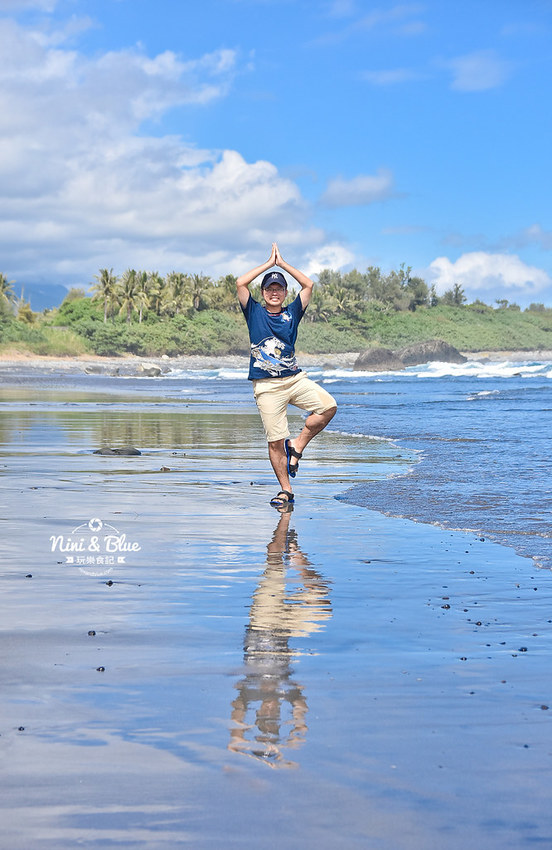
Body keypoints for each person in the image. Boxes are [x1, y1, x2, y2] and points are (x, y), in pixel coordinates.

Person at [236, 243, 337, 507]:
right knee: (274, 441)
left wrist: (282, 264)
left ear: (285, 293)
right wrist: (269, 264)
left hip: (294, 379)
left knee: (328, 407)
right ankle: (286, 490)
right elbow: (240, 283)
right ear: (263, 292)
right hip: (266, 387)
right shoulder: (254, 312)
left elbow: (308, 285)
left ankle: (298, 445)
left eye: (279, 288)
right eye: (269, 288)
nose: (274, 292)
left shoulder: (292, 312)